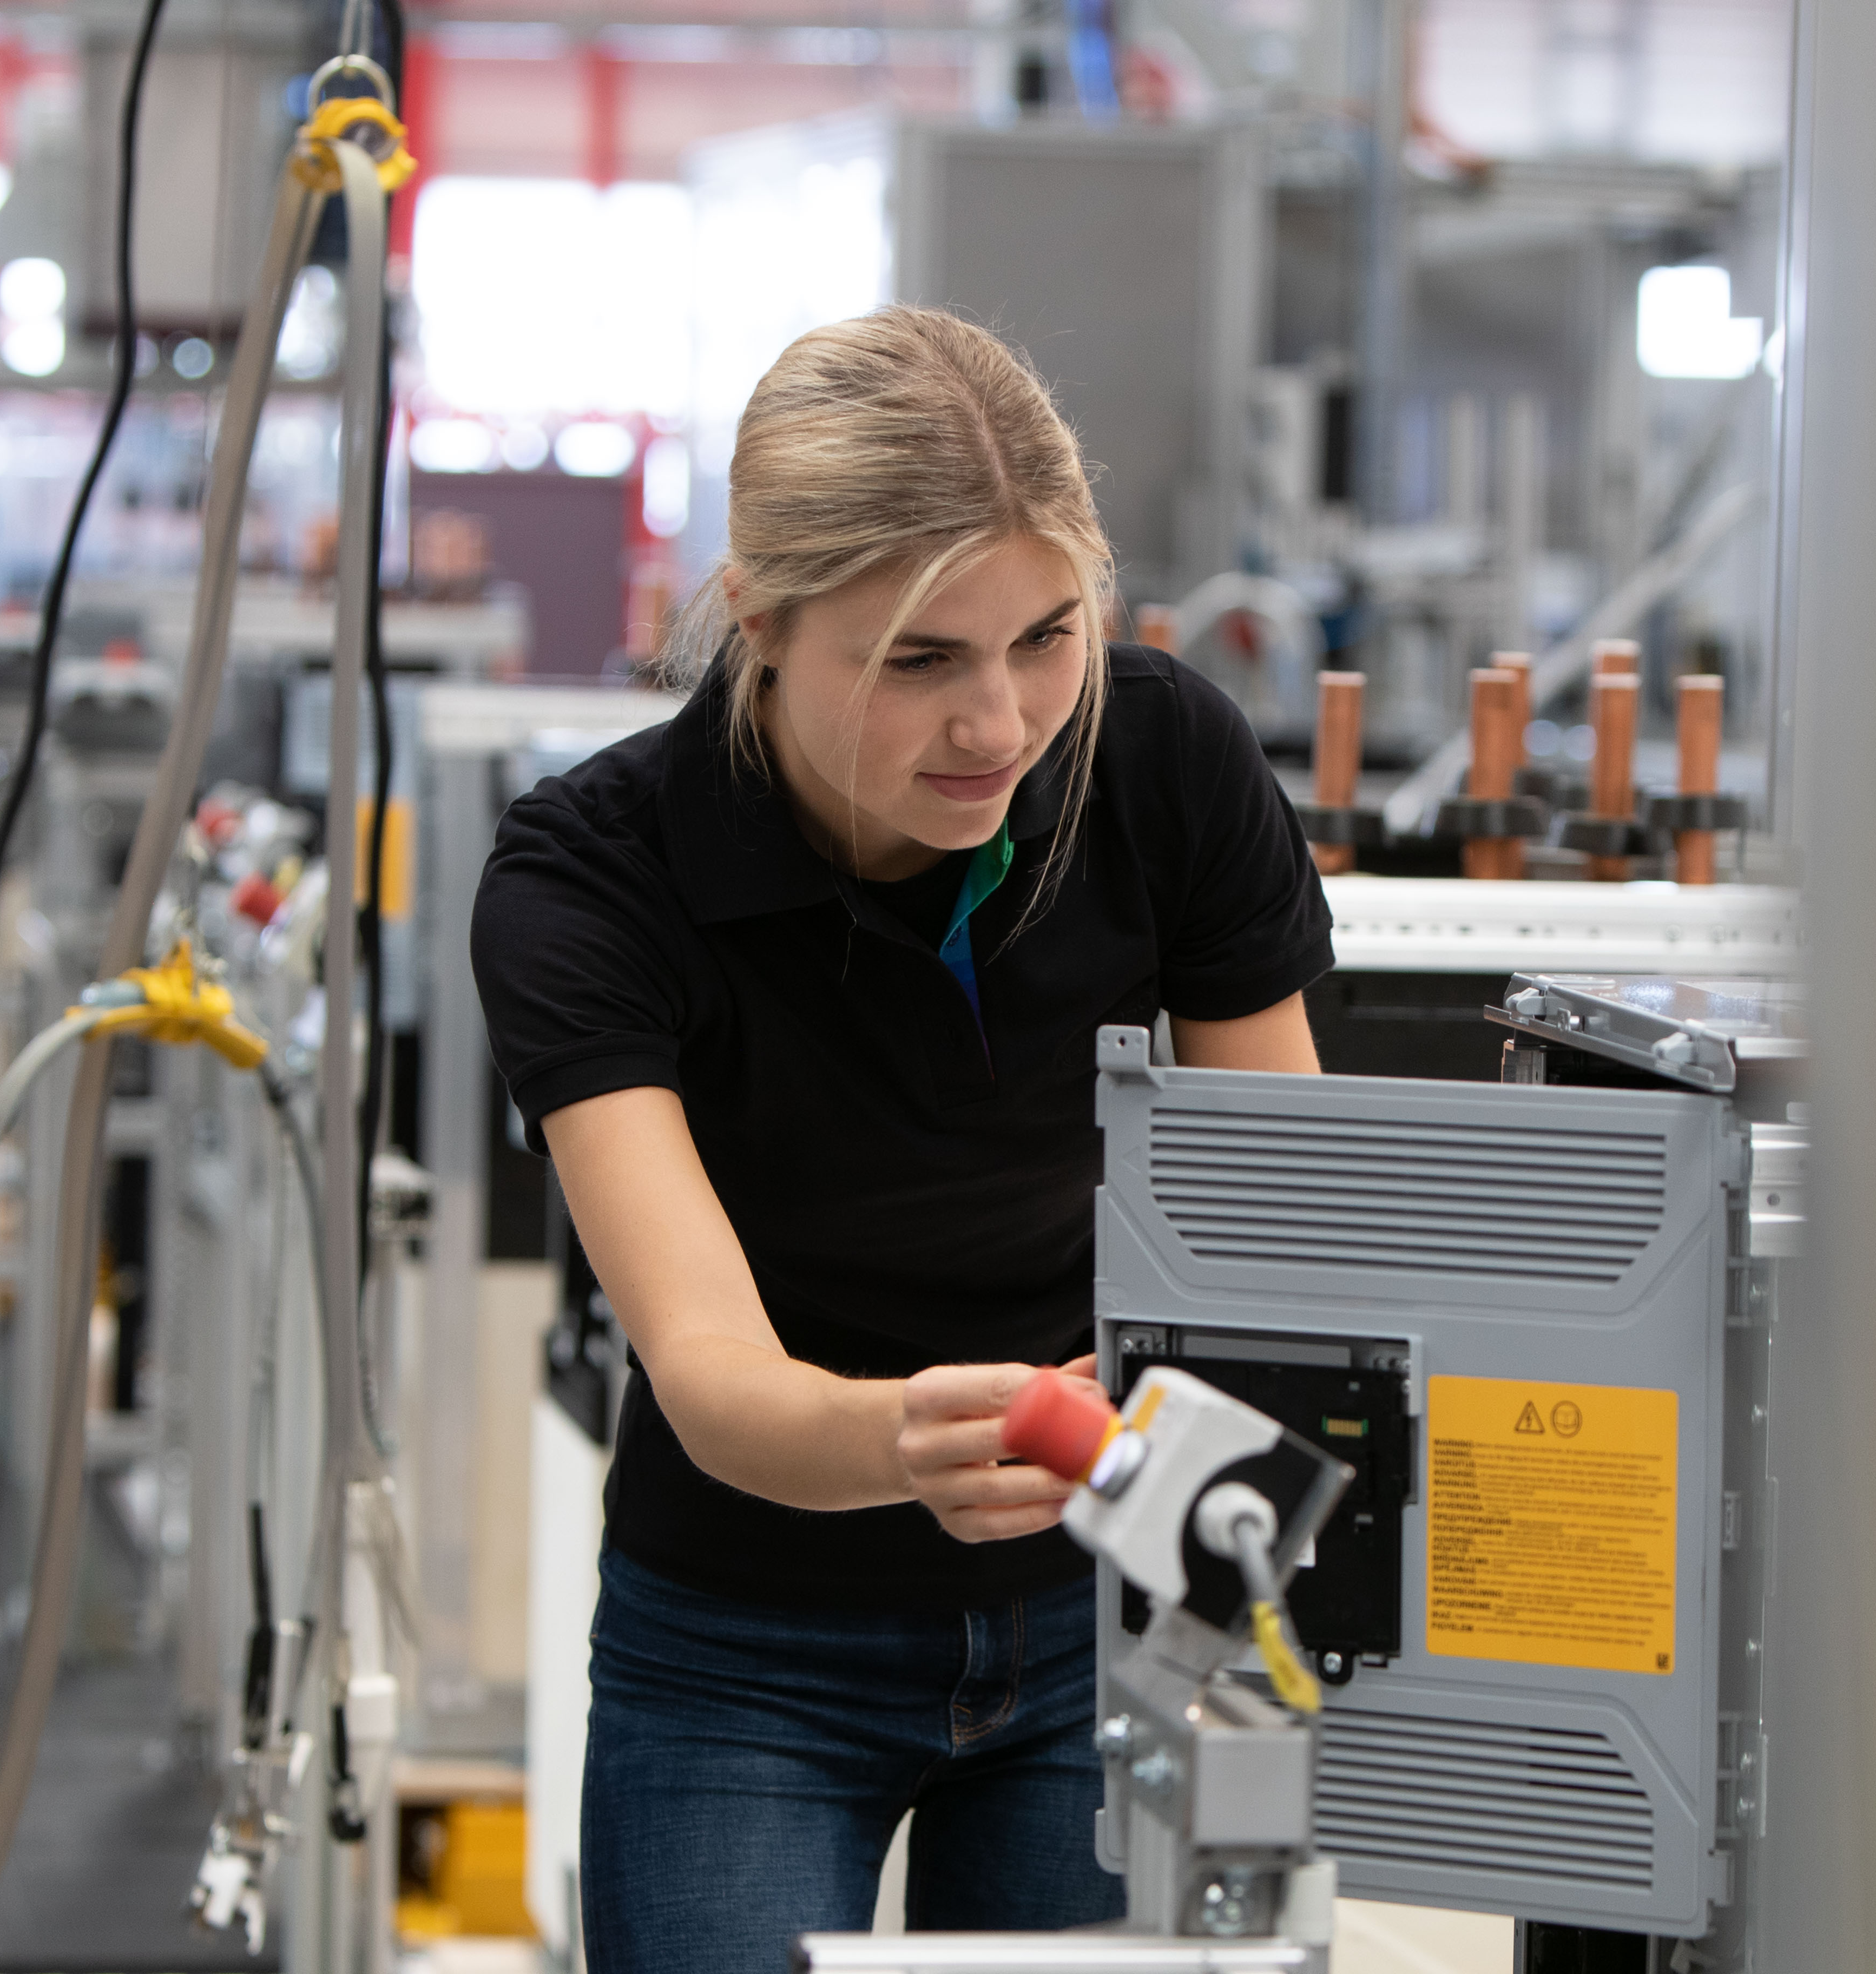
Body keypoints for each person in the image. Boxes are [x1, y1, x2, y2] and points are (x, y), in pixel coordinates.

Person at [471, 305, 1334, 1973]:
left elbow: (1272, 1221)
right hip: (748, 1644)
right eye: (920, 660)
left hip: (1118, 1606)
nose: (1002, 728)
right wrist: (900, 1445)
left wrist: (1180, 1428)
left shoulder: (1161, 760)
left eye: (1048, 638)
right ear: (761, 625)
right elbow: (714, 1377)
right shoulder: (595, 879)